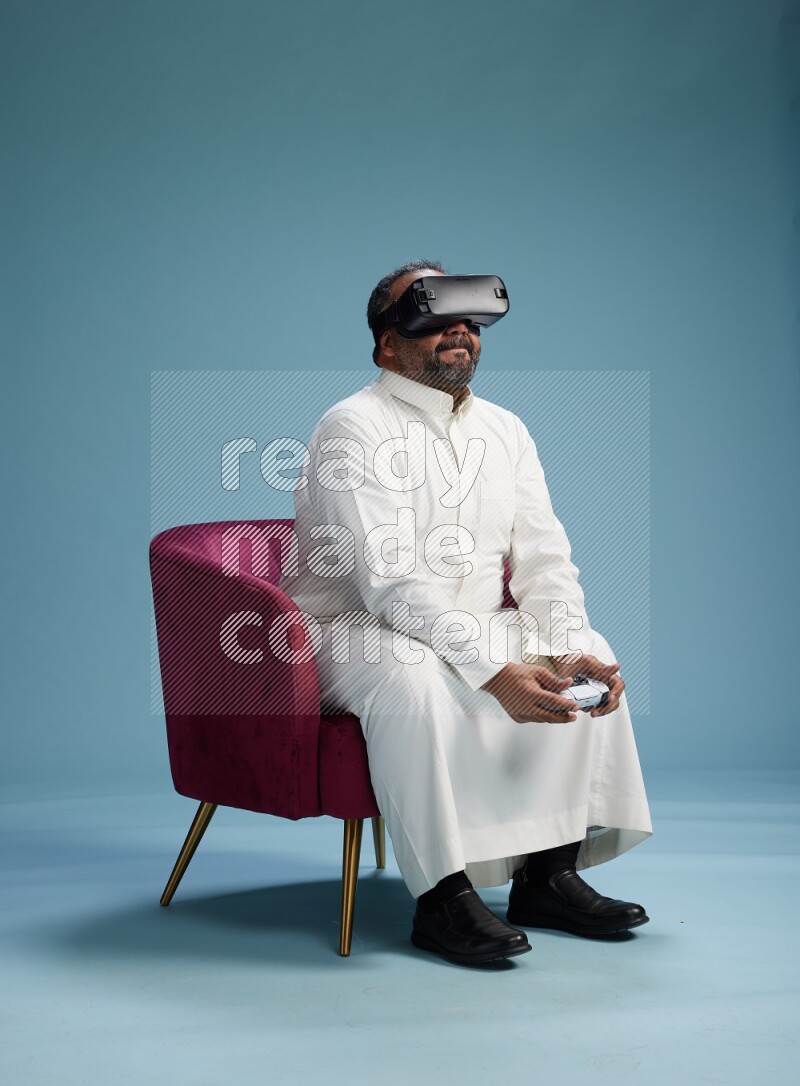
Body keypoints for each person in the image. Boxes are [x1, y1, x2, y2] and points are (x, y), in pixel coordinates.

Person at [279, 260, 652, 965]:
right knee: (414, 671)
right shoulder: (350, 429)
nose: (458, 331)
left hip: (473, 619)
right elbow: (388, 584)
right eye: (431, 315)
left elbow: (544, 557)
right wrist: (491, 669)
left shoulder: (507, 430)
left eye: (468, 319)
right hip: (349, 634)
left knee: (582, 644)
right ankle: (442, 898)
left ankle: (549, 873)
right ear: (388, 345)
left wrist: (564, 645)